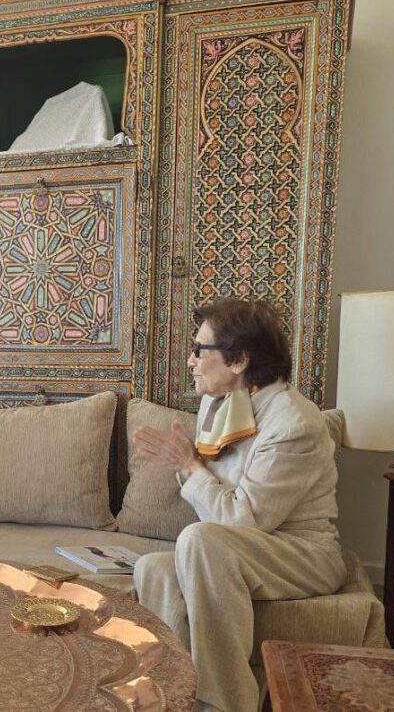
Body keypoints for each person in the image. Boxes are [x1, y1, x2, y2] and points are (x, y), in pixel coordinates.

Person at [132, 299, 345, 712]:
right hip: (242, 547)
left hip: (303, 553)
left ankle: (223, 703)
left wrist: (189, 465)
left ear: (239, 359)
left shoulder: (294, 423)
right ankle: (170, 694)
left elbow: (244, 521)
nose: (191, 361)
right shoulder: (221, 404)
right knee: (151, 568)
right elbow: (217, 510)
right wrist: (189, 465)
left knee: (200, 541)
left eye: (199, 350)